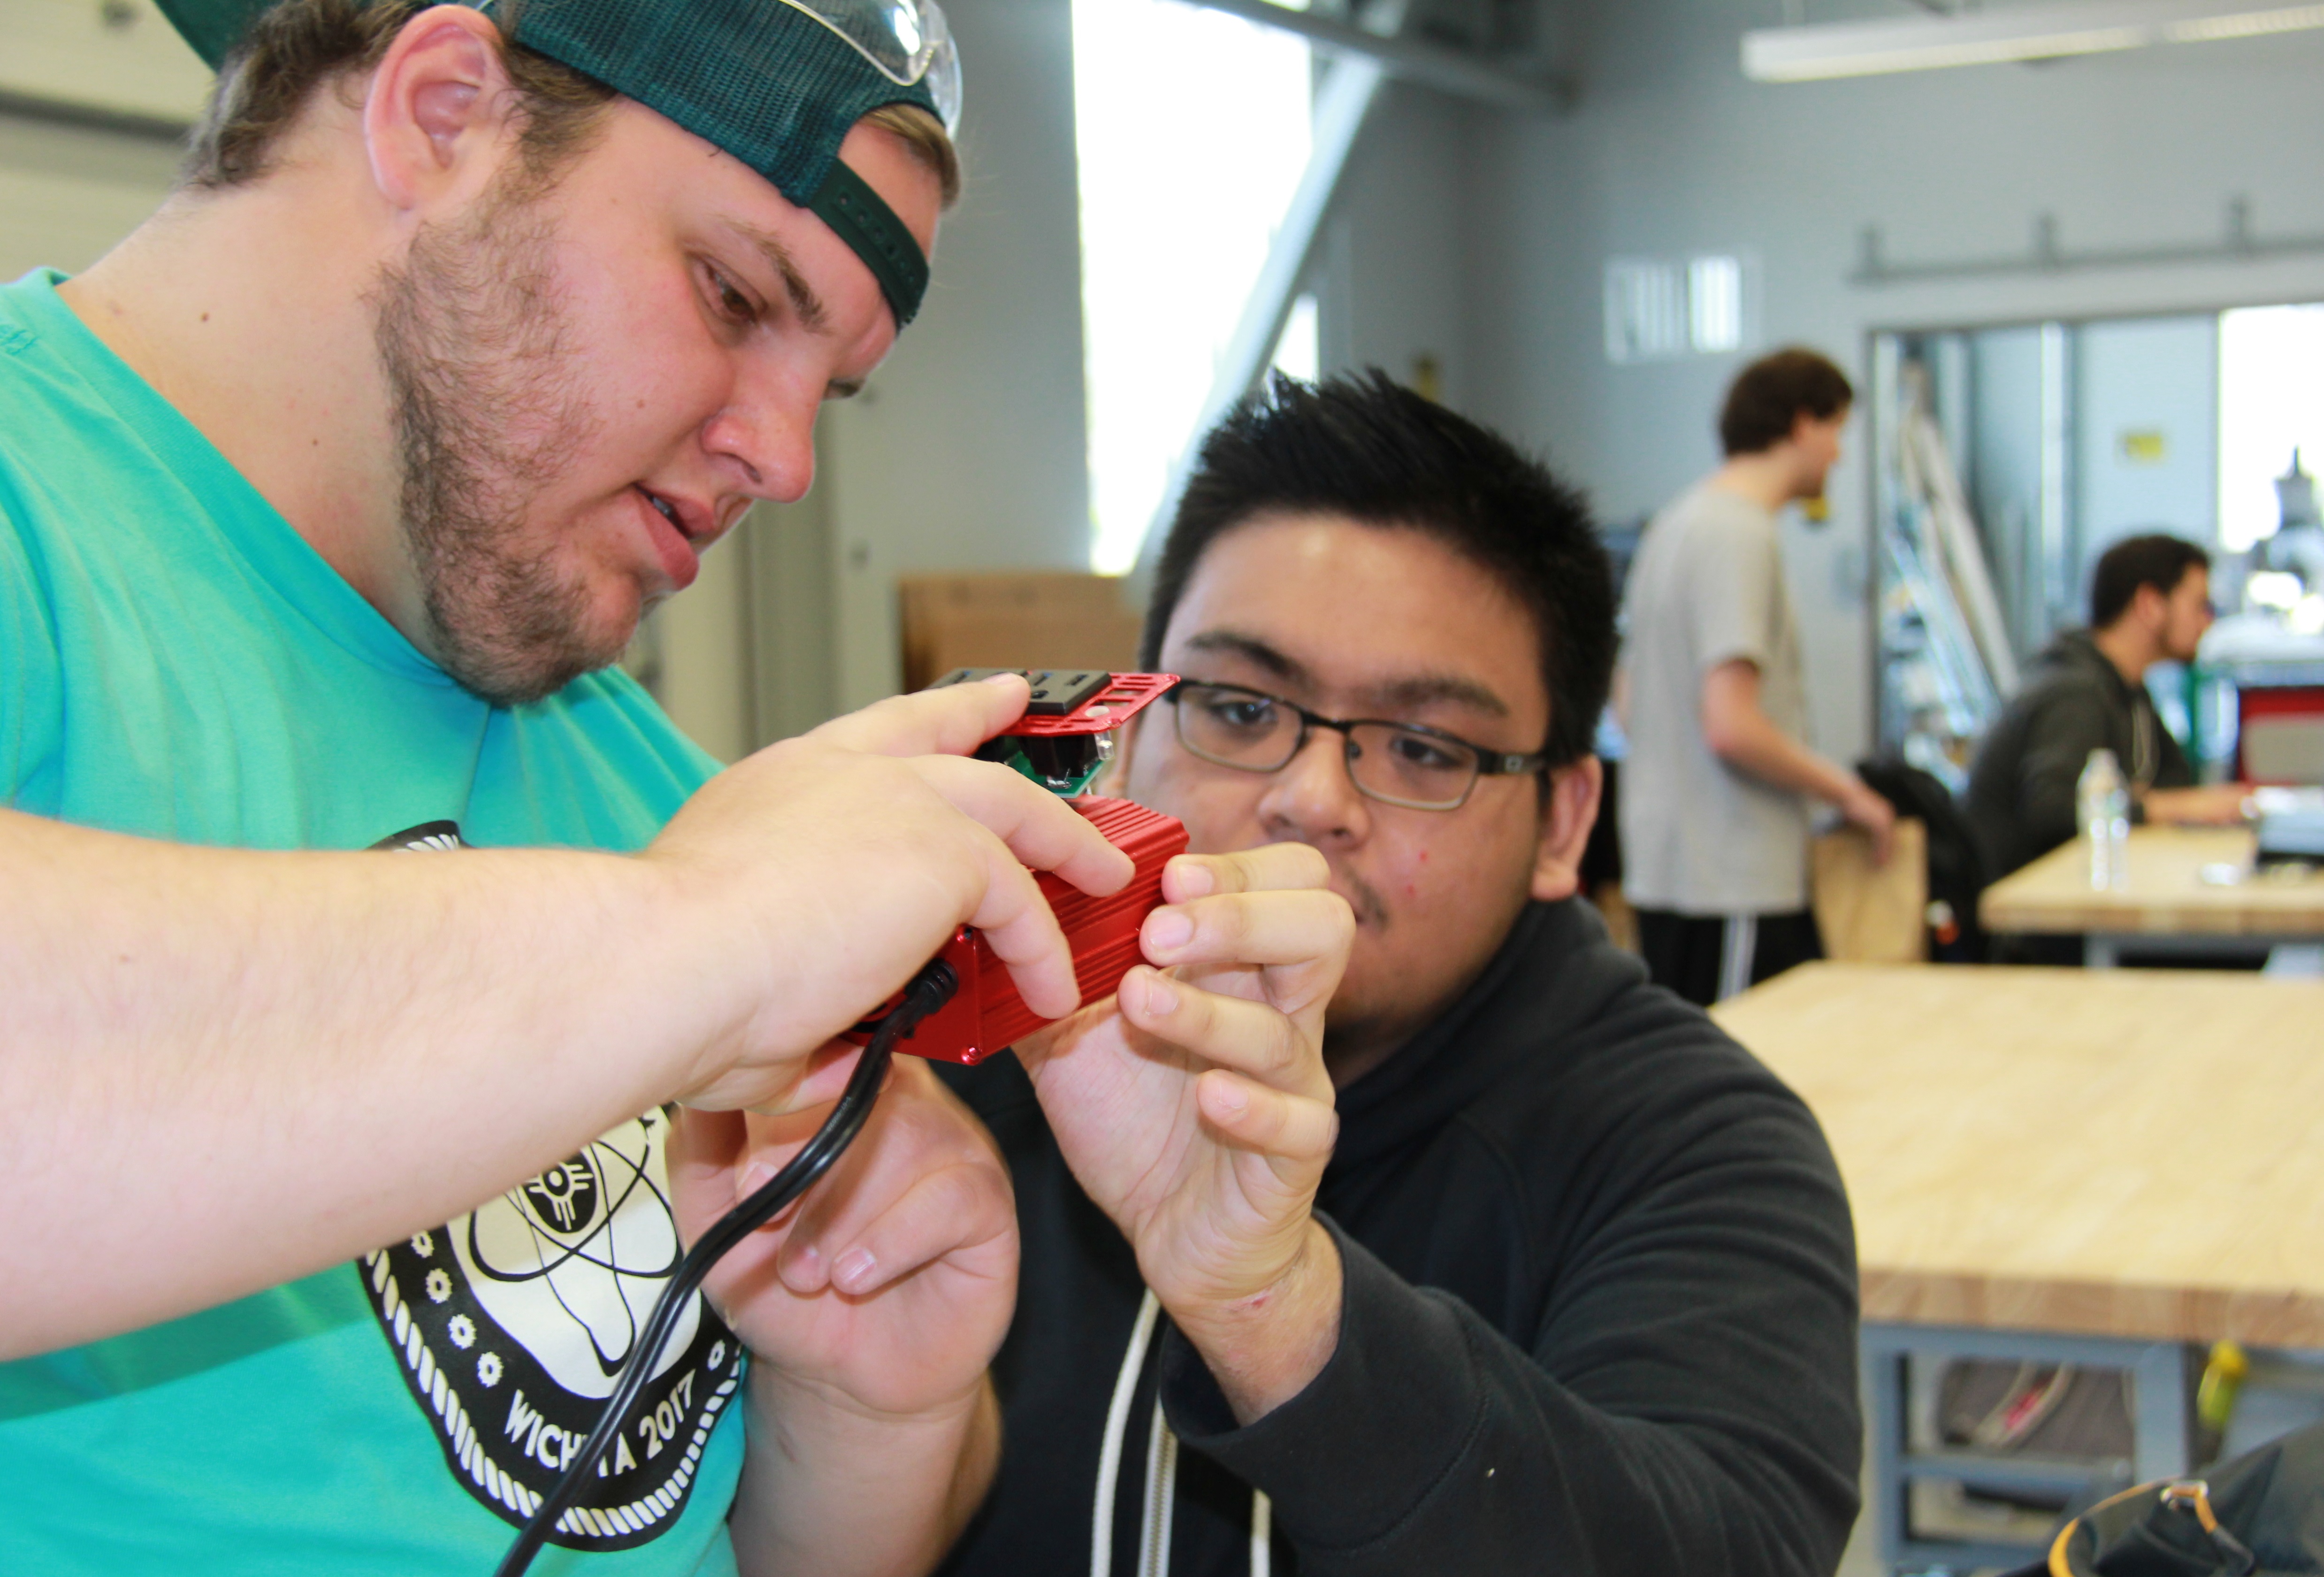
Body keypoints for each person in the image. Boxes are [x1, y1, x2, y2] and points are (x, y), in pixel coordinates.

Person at [0, 1, 1345, 1570]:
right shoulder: (44, 529)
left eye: (828, 388)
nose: (784, 461)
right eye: (731, 295)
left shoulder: (655, 792)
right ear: (444, 115)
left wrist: (870, 1409)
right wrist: (697, 934)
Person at [931, 372, 1862, 1577]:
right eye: (1235, 706)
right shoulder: (965, 1063)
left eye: (1423, 748)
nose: (1307, 799)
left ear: (1567, 822)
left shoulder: (1695, 1147)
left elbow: (1727, 1548)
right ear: (1131, 725)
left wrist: (1279, 1308)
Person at [1619, 347, 1895, 1008]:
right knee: (1741, 1078)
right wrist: (1847, 793)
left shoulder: (1676, 524)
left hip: (1678, 872)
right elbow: (1731, 726)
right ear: (1803, 425)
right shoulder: (1738, 535)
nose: (1839, 456)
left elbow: (1630, 703)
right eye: (1837, 433)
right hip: (1731, 878)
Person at [1965, 532, 2250, 882]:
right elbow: (2052, 812)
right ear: (2149, 605)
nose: (2208, 622)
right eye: (2199, 606)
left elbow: (2176, 781)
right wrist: (2165, 806)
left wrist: (2167, 803)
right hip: (2031, 914)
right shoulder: (2074, 692)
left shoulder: (2129, 688)